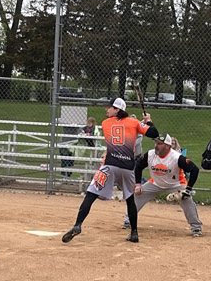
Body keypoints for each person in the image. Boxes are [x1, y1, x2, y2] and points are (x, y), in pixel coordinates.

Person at [62, 97, 158, 244]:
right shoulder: (134, 122)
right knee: (130, 200)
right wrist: (148, 121)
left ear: (117, 109)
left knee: (91, 194)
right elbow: (154, 133)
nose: (106, 109)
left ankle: (77, 225)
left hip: (109, 165)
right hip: (128, 167)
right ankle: (134, 233)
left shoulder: (105, 123)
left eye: (109, 107)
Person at [121, 133, 202, 237]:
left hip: (176, 184)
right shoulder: (150, 154)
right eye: (156, 142)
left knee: (187, 200)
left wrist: (188, 189)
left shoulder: (176, 157)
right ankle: (128, 220)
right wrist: (138, 184)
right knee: (138, 195)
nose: (156, 145)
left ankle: (196, 227)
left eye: (160, 143)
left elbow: (194, 169)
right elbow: (138, 166)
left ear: (168, 146)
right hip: (155, 183)